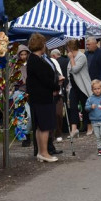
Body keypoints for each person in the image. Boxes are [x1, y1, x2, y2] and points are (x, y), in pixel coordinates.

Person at [25, 33, 60, 163]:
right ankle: (44, 152)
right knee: (45, 126)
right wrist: (56, 86)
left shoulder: (33, 59)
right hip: (42, 97)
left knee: (40, 126)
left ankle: (40, 152)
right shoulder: (36, 60)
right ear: (41, 45)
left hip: (37, 97)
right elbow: (45, 80)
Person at [66, 39, 91, 138]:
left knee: (86, 107)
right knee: (73, 107)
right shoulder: (71, 56)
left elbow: (75, 69)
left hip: (82, 85)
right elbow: (69, 70)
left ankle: (89, 127)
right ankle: (74, 129)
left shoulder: (82, 56)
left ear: (70, 47)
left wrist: (71, 58)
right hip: (73, 86)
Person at [85, 36, 101, 113]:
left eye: (89, 44)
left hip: (99, 85)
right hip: (88, 84)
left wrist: (99, 83)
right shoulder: (86, 54)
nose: (87, 46)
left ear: (95, 44)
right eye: (87, 44)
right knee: (91, 105)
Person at [86, 79, 101, 155]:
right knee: (98, 136)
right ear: (92, 90)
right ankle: (100, 148)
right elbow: (86, 108)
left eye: (98, 88)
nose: (97, 90)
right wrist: (90, 107)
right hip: (94, 121)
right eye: (95, 89)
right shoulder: (90, 99)